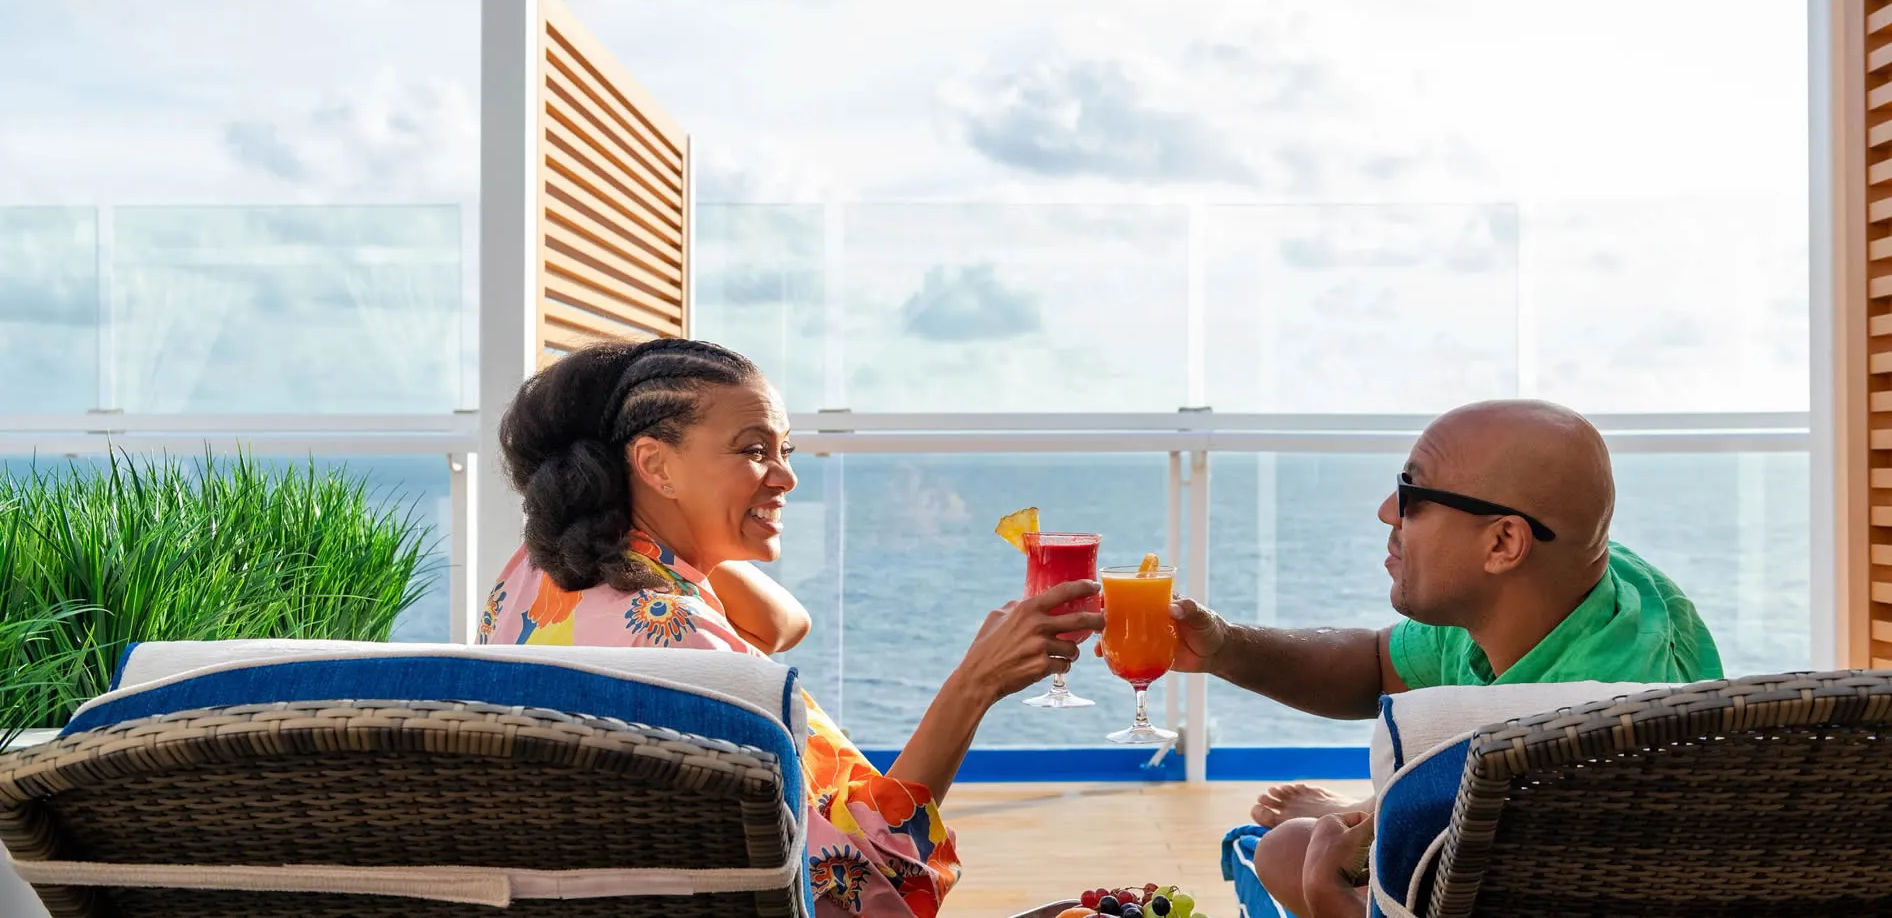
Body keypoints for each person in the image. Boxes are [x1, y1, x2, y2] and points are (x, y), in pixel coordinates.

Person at [478, 337, 1104, 917]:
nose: (786, 477)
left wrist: (708, 546)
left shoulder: (543, 571)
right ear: (655, 465)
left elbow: (784, 623)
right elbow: (856, 887)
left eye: (785, 450)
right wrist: (977, 683)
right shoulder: (688, 646)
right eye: (754, 450)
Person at [1165, 399, 1723, 917]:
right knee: (1290, 846)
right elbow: (1377, 665)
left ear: (1504, 543)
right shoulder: (1572, 581)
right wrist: (1224, 646)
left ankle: (1376, 807)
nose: (1387, 512)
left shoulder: (1574, 748)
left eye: (1413, 495)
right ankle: (1377, 805)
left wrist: (1328, 896)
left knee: (1290, 852)